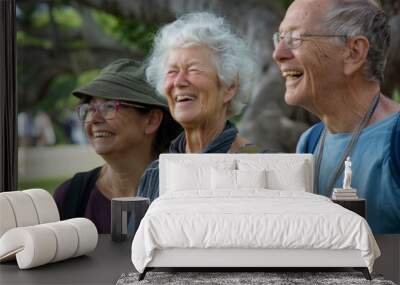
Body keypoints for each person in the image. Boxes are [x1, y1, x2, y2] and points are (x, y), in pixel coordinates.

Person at [273, 0, 400, 233]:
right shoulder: (310, 141)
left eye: (295, 38)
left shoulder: (395, 139)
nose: (278, 53)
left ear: (353, 52)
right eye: (279, 38)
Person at [138, 12, 264, 202]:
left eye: (193, 70)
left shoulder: (254, 166)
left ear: (229, 86)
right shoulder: (155, 174)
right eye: (172, 72)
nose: (179, 82)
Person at [53, 59, 181, 233]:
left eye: (109, 107)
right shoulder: (71, 197)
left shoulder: (182, 198)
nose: (94, 119)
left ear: (151, 120)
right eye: (89, 108)